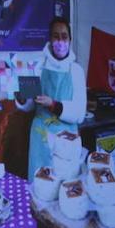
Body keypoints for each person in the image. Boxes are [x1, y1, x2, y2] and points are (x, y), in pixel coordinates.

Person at [17, 17, 87, 180]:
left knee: (65, 188)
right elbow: (29, 106)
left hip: (66, 140)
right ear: (50, 39)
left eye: (64, 36)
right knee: (40, 187)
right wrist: (22, 99)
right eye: (56, 36)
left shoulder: (76, 71)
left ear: (70, 40)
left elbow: (79, 113)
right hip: (40, 137)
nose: (60, 41)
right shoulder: (37, 65)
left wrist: (53, 104)